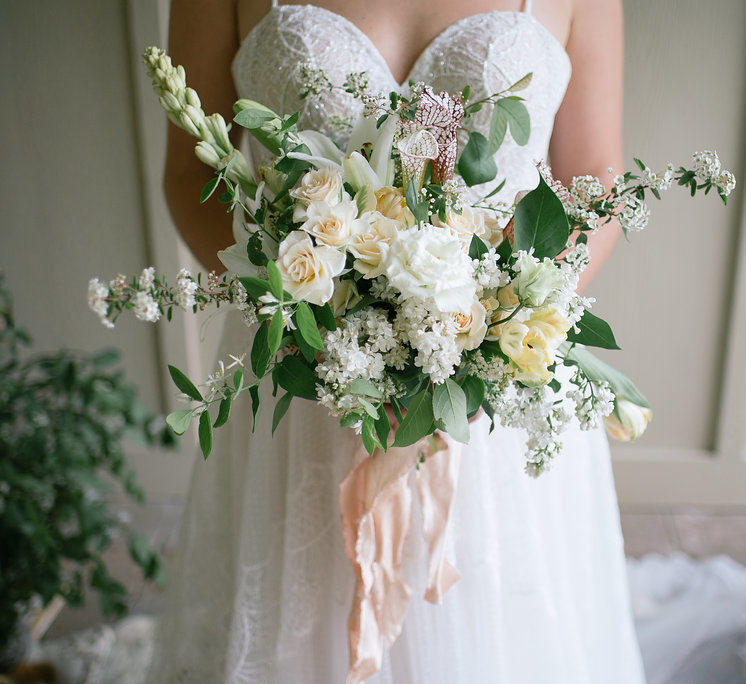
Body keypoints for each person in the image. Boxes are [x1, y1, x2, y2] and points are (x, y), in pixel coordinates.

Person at [150, 0, 640, 681]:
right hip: (304, 368)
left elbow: (596, 176)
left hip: (498, 387)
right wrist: (318, 318)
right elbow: (190, 174)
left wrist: (497, 328)